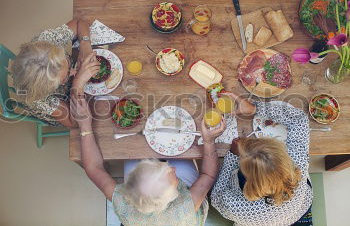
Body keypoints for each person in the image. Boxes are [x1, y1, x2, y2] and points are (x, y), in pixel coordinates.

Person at [69, 95, 226, 226]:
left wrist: (85, 126)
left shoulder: (123, 204)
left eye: (157, 166)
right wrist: (209, 141)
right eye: (170, 175)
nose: (171, 168)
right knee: (184, 158)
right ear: (173, 196)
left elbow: (92, 168)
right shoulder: (184, 207)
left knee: (135, 150)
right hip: (187, 211)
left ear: (128, 187)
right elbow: (208, 175)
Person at [211, 92, 313, 226]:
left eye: (242, 162)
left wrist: (232, 156)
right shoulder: (297, 160)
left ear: (249, 180)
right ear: (283, 156)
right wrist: (254, 108)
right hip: (298, 211)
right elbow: (300, 119)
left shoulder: (235, 206)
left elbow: (216, 197)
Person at [11, 20, 100, 127]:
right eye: (66, 76)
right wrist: (77, 84)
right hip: (66, 103)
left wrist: (85, 46)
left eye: (66, 60)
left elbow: (79, 23)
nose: (74, 71)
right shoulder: (38, 99)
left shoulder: (46, 42)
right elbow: (74, 123)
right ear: (50, 88)